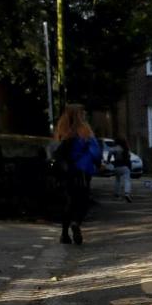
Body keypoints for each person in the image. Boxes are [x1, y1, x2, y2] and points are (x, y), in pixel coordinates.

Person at [52, 104, 102, 245]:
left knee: (68, 201)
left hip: (66, 172)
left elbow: (55, 152)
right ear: (80, 114)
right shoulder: (85, 130)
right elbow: (95, 151)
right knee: (83, 200)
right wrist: (98, 163)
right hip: (82, 171)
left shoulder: (61, 130)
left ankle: (64, 234)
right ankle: (76, 222)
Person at [111, 137, 133, 203]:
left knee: (117, 180)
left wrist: (109, 161)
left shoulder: (114, 148)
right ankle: (127, 193)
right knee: (127, 180)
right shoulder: (125, 148)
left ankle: (116, 194)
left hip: (116, 167)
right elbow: (129, 157)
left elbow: (110, 154)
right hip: (124, 166)